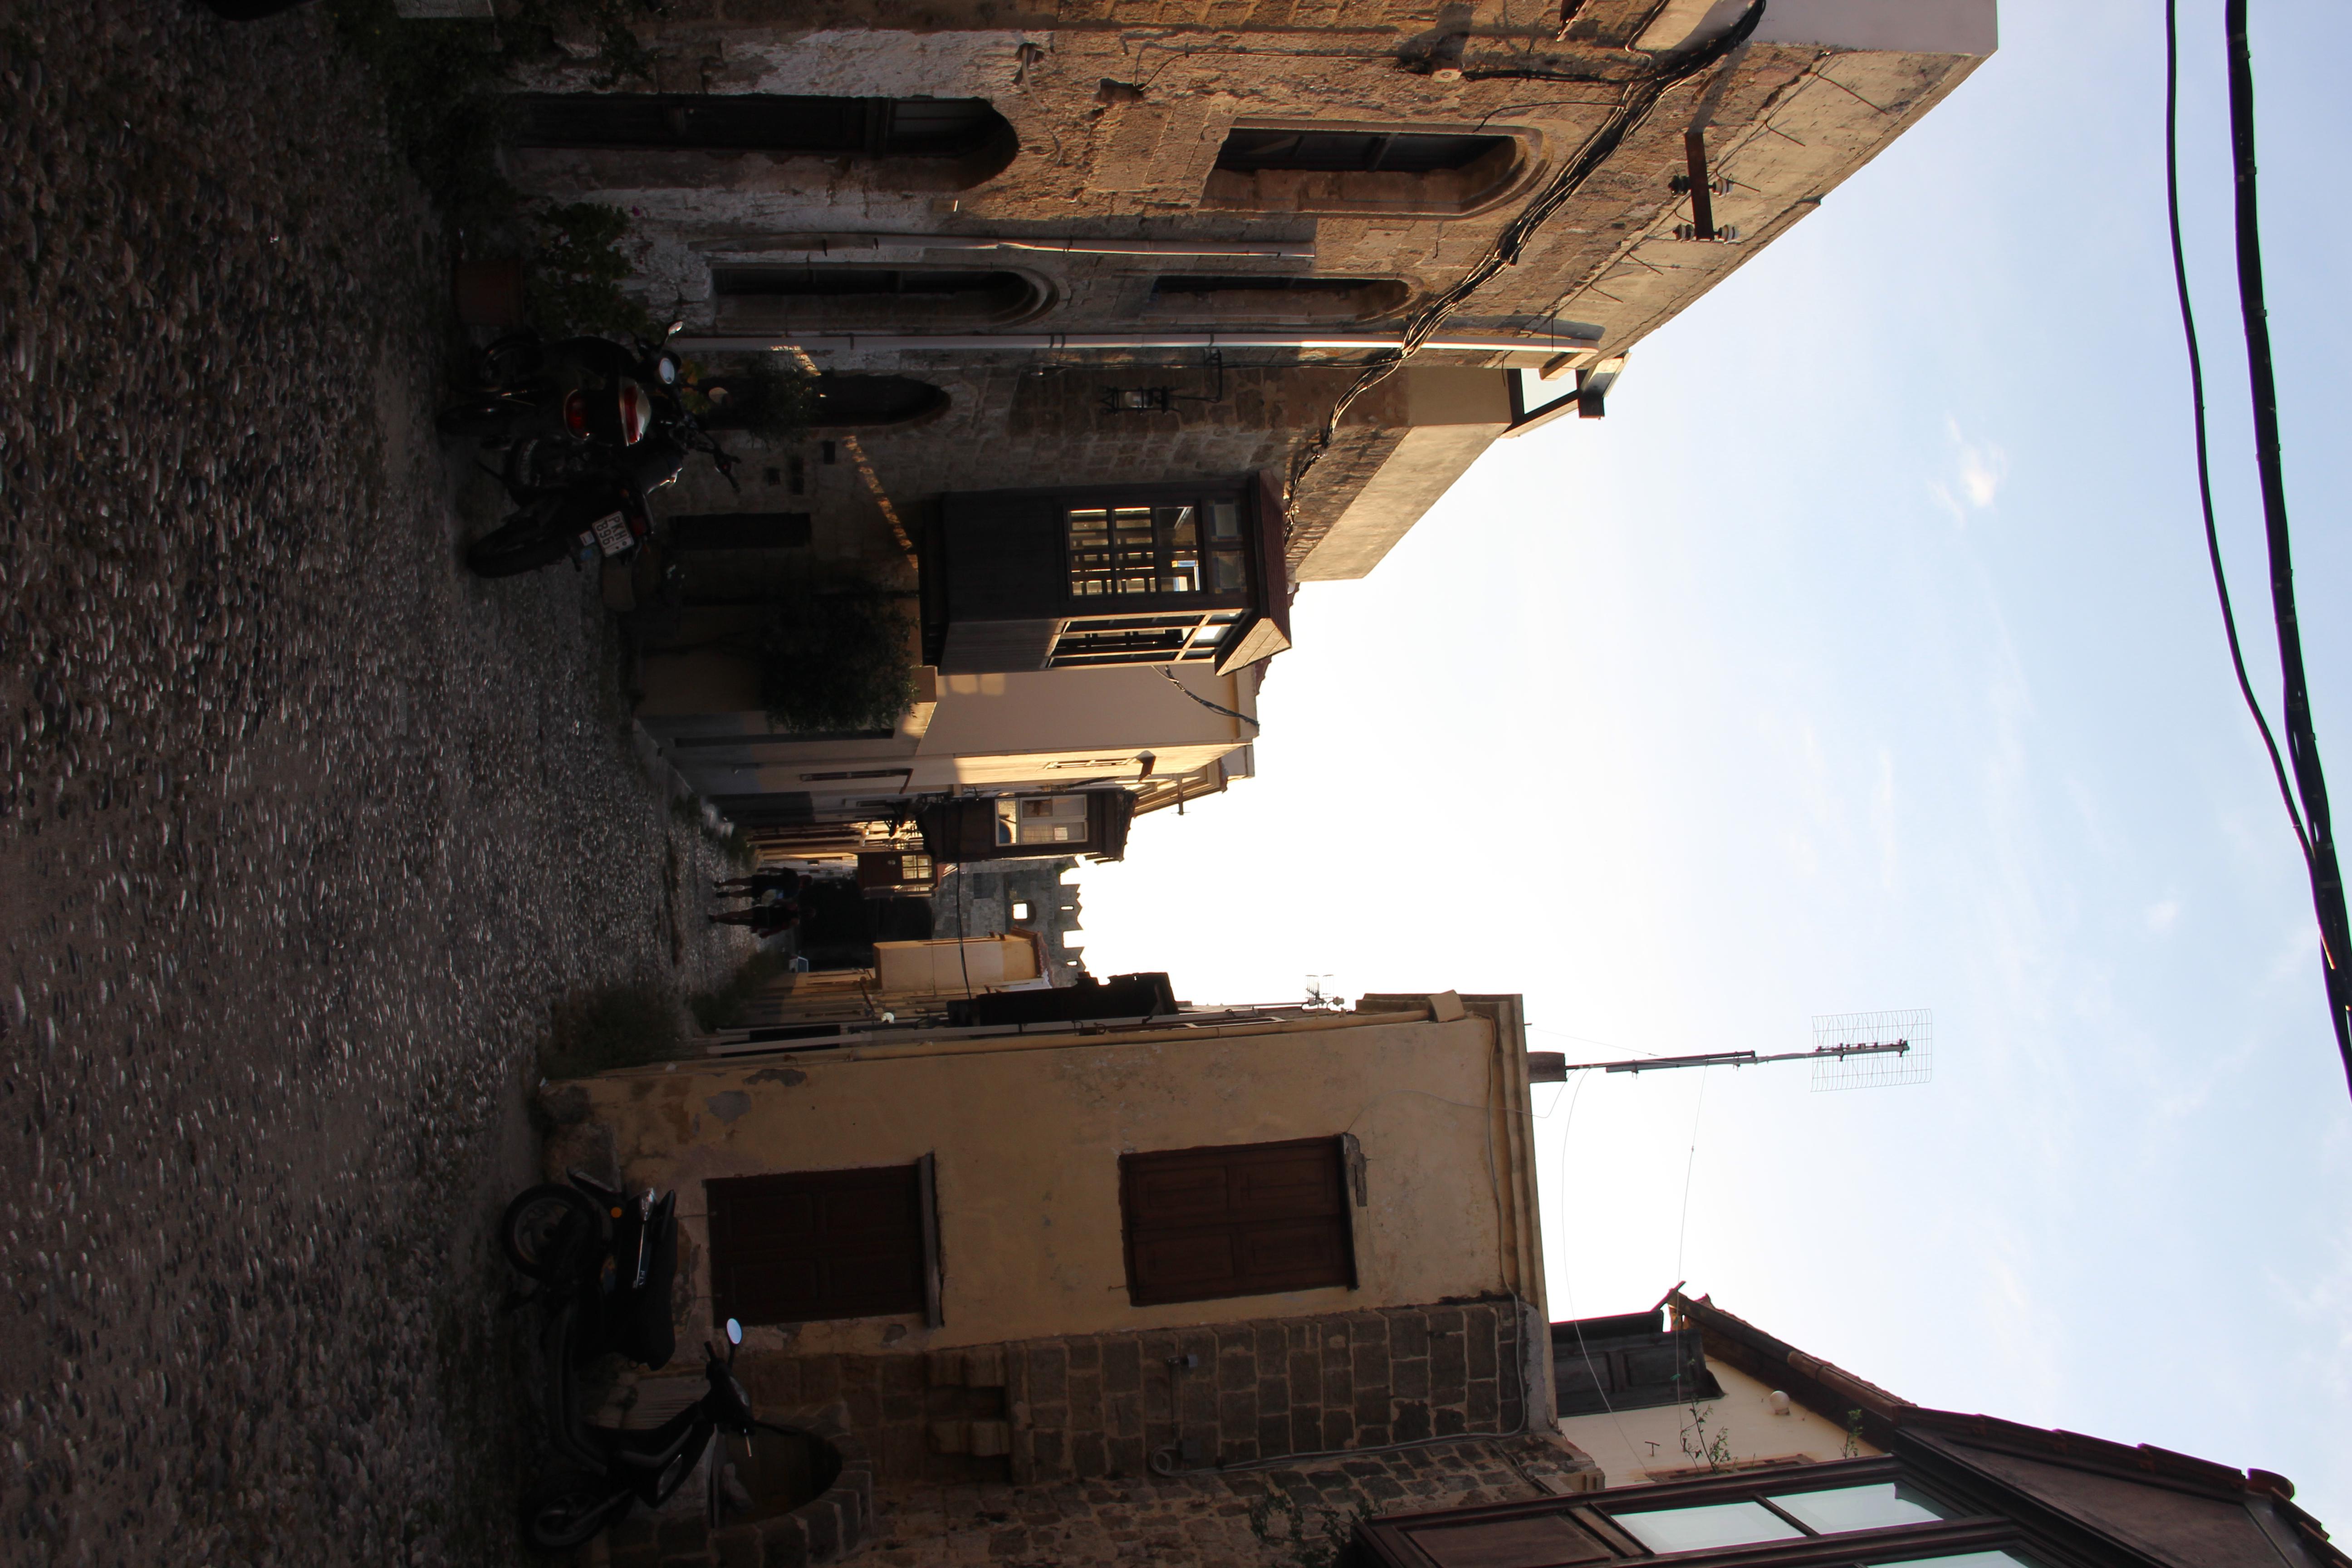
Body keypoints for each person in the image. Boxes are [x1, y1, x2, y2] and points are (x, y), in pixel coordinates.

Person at [712, 868, 802, 902]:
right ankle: (729, 894)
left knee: (741, 881)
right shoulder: (794, 892)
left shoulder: (793, 874)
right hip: (765, 891)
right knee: (744, 894)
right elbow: (780, 898)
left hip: (764, 880)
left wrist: (765, 869)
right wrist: (765, 900)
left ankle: (721, 884)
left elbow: (776, 870)